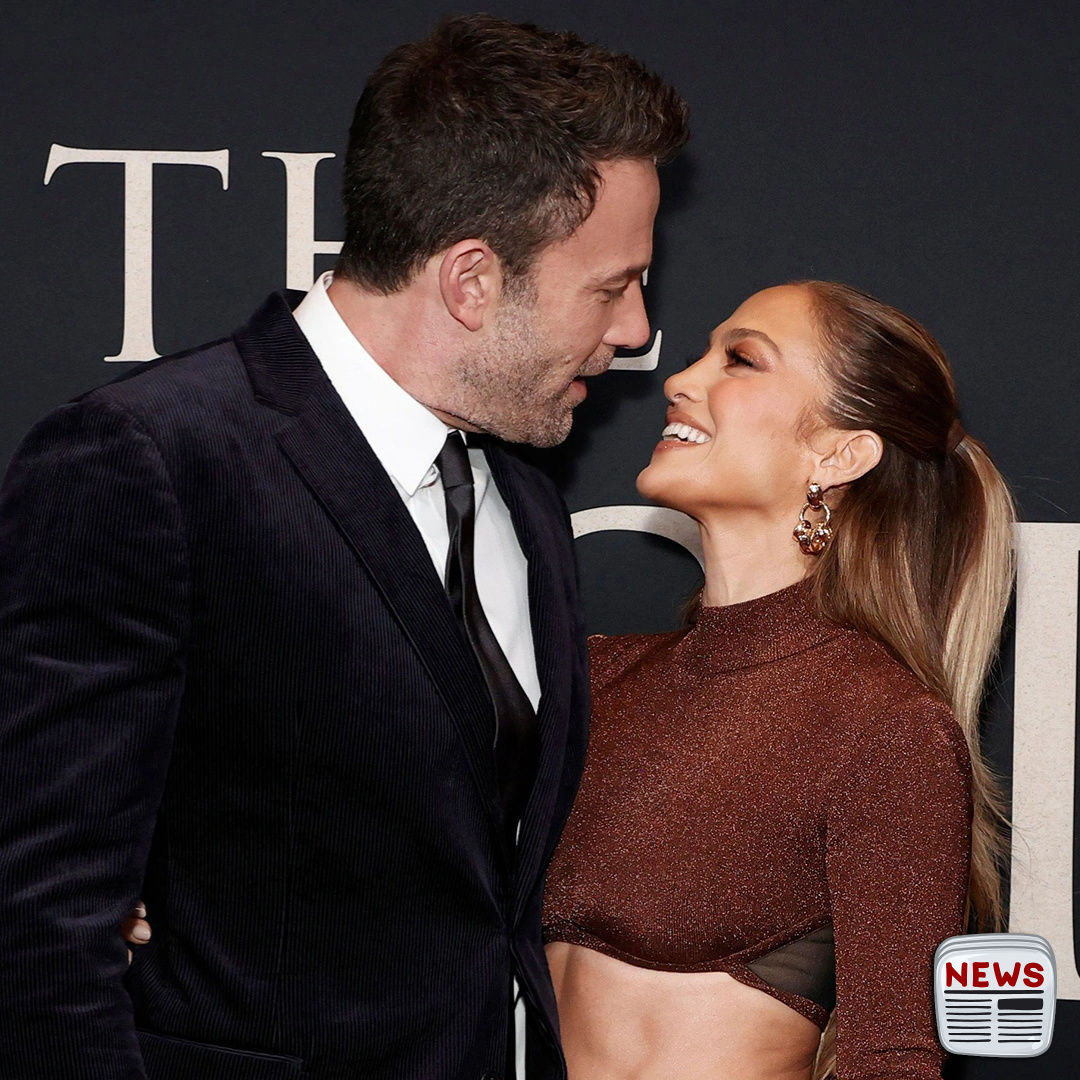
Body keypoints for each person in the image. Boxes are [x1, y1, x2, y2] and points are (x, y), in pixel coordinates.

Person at [0, 15, 688, 1080]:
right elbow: (39, 923)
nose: (638, 329)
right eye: (611, 286)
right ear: (470, 280)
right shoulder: (154, 461)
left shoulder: (521, 495)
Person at [541, 281, 1014, 1079]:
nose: (679, 379)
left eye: (741, 360)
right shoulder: (601, 675)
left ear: (839, 454)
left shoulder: (882, 723)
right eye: (703, 353)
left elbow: (890, 1059)